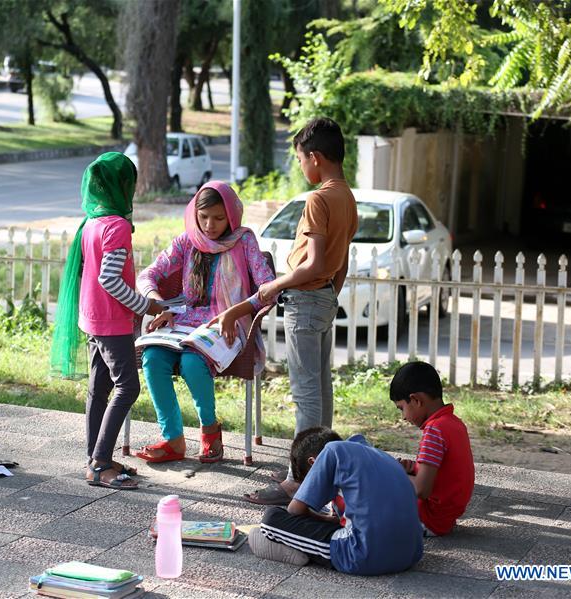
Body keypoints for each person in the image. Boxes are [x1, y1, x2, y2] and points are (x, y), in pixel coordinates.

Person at [242, 117, 358, 505]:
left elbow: (314, 262)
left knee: (306, 394)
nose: (301, 166)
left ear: (316, 157)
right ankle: (317, 468)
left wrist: (275, 285)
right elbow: (340, 261)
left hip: (305, 301)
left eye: (300, 160)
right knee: (320, 389)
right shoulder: (347, 198)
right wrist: (329, 292)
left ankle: (299, 481)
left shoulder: (318, 200)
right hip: (323, 298)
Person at [134, 182, 275, 464]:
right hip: (184, 322)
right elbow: (148, 275)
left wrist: (235, 312)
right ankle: (173, 440)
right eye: (204, 217)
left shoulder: (244, 241)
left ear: (232, 216)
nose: (210, 225)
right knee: (152, 358)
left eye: (219, 218)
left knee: (192, 362)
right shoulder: (187, 240)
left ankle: (210, 432)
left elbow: (269, 289)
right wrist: (163, 306)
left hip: (226, 325)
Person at [50, 152, 163, 490]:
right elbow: (109, 279)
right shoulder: (116, 226)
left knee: (99, 389)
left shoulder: (92, 222)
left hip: (92, 318)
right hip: (112, 322)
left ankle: (96, 457)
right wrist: (144, 305)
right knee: (128, 387)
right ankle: (100, 464)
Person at [248, 426, 423, 575]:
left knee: (272, 518)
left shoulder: (331, 451)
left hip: (363, 555)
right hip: (411, 553)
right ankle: (302, 544)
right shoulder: (375, 454)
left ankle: (295, 548)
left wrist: (322, 518)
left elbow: (295, 510)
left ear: (313, 462)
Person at [390, 361, 475, 536]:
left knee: (372, 481)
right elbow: (446, 473)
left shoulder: (434, 430)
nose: (403, 417)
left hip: (428, 518)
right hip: (445, 517)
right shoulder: (454, 423)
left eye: (401, 408)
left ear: (416, 400)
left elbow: (422, 490)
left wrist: (396, 475)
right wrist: (414, 469)